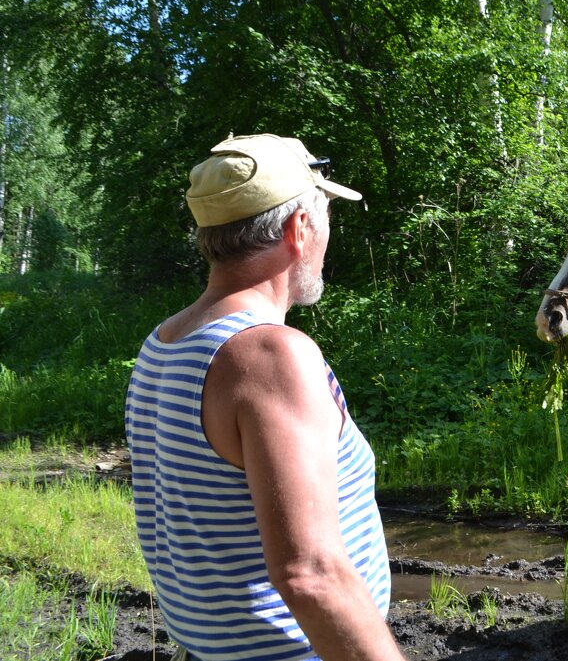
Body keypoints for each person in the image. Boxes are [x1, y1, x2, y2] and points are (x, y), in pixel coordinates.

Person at [125, 134, 408, 661]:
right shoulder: (270, 356)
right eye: (325, 222)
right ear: (299, 230)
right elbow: (310, 575)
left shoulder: (163, 341)